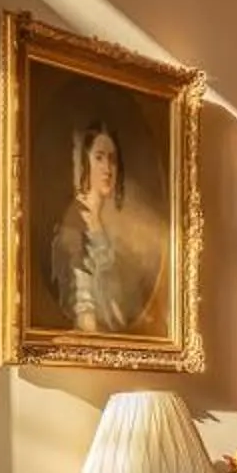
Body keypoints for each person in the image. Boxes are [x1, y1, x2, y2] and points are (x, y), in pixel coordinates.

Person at [47, 121, 152, 332]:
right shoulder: (73, 223)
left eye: (112, 160)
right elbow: (81, 303)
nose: (107, 169)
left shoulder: (104, 222)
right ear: (85, 163)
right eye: (99, 158)